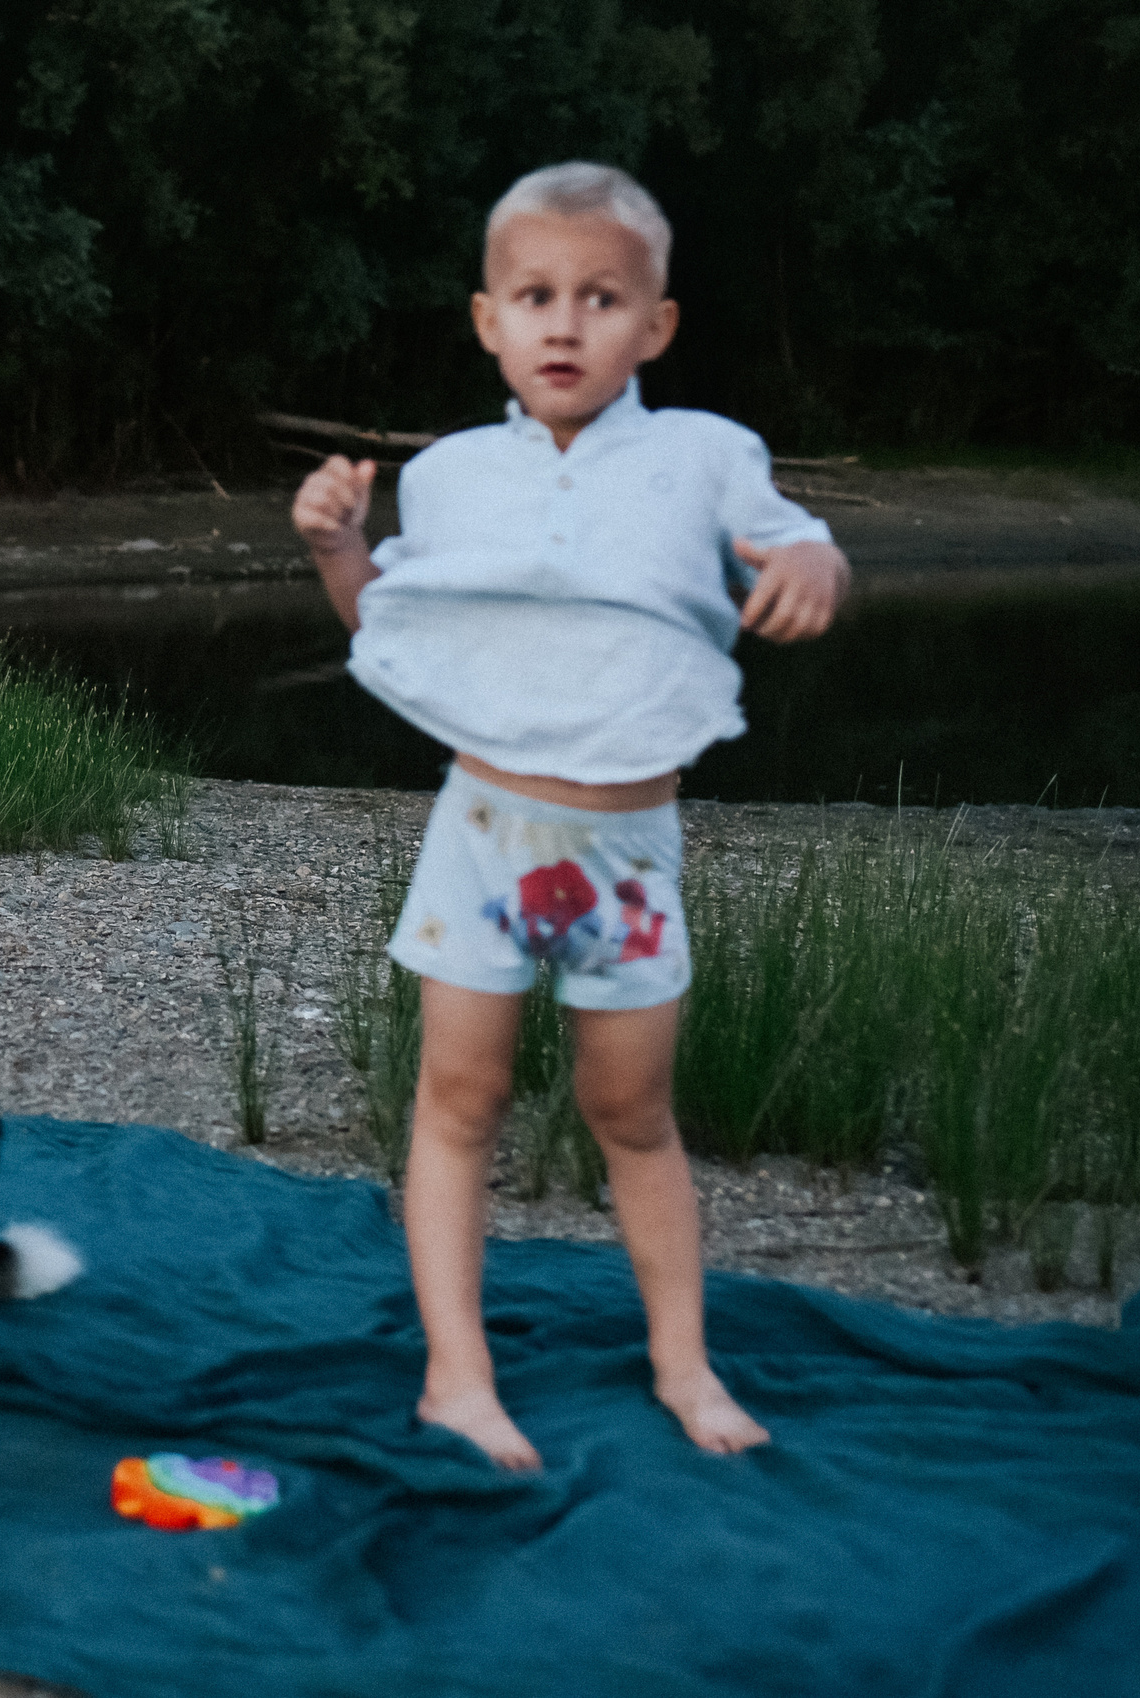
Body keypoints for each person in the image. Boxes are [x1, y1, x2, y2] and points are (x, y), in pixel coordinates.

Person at [291, 162, 849, 1466]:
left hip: (628, 853)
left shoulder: (709, 458)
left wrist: (819, 556)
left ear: (653, 325)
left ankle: (683, 1365)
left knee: (632, 1108)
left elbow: (795, 542)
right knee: (459, 1096)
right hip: (484, 832)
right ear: (487, 318)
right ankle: (458, 1376)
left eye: (600, 298)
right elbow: (393, 623)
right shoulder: (452, 475)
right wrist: (332, 545)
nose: (563, 323)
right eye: (535, 295)